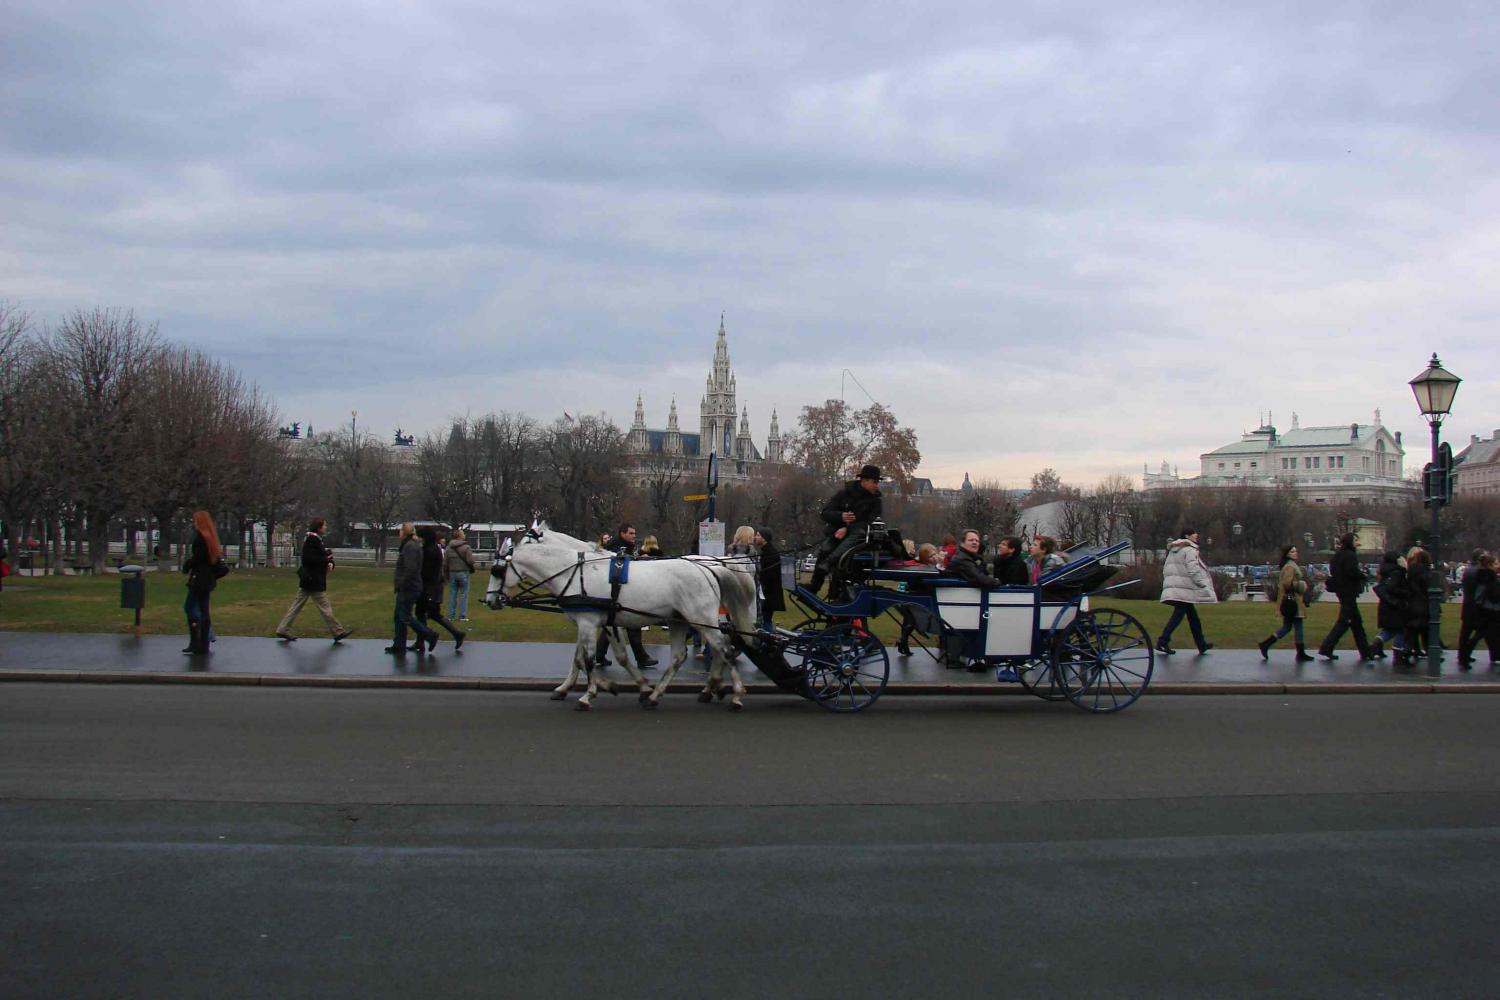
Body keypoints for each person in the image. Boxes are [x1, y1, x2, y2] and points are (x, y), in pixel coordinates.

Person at [807, 465, 883, 598]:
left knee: (849, 546)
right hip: (837, 533)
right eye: (874, 482)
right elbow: (825, 513)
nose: (877, 486)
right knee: (825, 549)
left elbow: (869, 523)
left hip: (858, 539)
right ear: (864, 481)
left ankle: (831, 570)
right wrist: (840, 516)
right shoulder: (844, 494)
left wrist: (847, 528)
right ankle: (814, 586)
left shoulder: (876, 502)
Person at [275, 518, 352, 643]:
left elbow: (321, 556)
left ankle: (282, 628)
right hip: (314, 581)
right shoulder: (312, 540)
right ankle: (338, 631)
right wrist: (326, 560)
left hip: (309, 581)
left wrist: (328, 560)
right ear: (319, 527)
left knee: (296, 606)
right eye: (324, 526)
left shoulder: (314, 540)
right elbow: (310, 559)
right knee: (325, 607)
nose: (326, 528)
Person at [593, 523, 657, 670]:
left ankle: (599, 656)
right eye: (631, 533)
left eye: (634, 533)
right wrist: (639, 560)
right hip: (617, 591)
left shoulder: (625, 545)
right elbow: (618, 564)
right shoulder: (616, 546)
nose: (634, 535)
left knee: (611, 625)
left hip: (620, 590)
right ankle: (641, 658)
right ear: (622, 533)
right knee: (633, 623)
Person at [1155, 529, 1216, 655]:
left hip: (1178, 588)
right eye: (1194, 533)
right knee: (1180, 616)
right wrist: (1202, 584)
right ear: (1187, 536)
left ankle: (1201, 644)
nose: (1196, 535)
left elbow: (1167, 569)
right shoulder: (1189, 550)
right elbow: (1193, 570)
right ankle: (1163, 640)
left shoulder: (1174, 550)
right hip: (1184, 589)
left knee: (1193, 618)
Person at [1316, 532, 1375, 661]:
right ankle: (1327, 647)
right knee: (1344, 622)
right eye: (1355, 540)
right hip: (1349, 591)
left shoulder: (1338, 555)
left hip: (1341, 591)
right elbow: (1351, 572)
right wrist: (1363, 575)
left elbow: (1336, 571)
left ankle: (1365, 652)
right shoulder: (1350, 555)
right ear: (1350, 541)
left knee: (1356, 622)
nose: (1357, 542)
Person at [1257, 544, 1315, 662]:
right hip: (1293, 602)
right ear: (1288, 554)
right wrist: (1302, 585)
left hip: (1291, 600)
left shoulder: (1289, 565)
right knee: (1298, 626)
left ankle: (1266, 644)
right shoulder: (1290, 567)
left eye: (1296, 551)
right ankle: (1300, 653)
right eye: (1293, 552)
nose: (1296, 553)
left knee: (1287, 627)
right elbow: (1287, 584)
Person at [386, 523, 437, 654]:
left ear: (404, 532)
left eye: (400, 531)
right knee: (398, 616)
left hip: (409, 587)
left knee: (405, 615)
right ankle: (399, 644)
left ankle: (429, 635)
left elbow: (411, 569)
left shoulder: (410, 547)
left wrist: (401, 583)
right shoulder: (411, 545)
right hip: (408, 586)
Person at [181, 510, 225, 655]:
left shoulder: (201, 538)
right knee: (203, 609)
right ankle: (203, 641)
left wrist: (188, 564)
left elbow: (199, 558)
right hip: (207, 580)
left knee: (190, 607)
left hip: (199, 579)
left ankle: (199, 638)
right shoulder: (211, 538)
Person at [417, 525, 466, 649]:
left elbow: (426, 571)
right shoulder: (435, 549)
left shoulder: (428, 551)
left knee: (423, 613)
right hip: (434, 586)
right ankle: (455, 634)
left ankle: (425, 638)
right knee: (432, 614)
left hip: (429, 587)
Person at [1373, 550, 1411, 663]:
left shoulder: (1384, 570)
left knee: (1390, 629)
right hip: (1396, 604)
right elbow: (1392, 588)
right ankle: (1397, 652)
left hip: (1386, 604)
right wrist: (1405, 592)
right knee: (1401, 628)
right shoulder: (1397, 572)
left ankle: (1377, 642)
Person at [1466, 553, 1500, 669]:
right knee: (1482, 634)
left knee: (1486, 634)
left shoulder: (1484, 575)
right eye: (1495, 563)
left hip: (1486, 609)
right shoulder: (1489, 576)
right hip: (1489, 610)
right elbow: (1490, 593)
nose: (1497, 565)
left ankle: (1494, 655)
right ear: (1489, 565)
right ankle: (1466, 654)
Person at [1402, 547, 1433, 664]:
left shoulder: (1411, 571)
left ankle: (1407, 652)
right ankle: (1427, 652)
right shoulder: (1425, 573)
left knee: (1413, 631)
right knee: (1424, 630)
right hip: (1423, 604)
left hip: (1413, 603)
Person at [1457, 548, 1486, 668]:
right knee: (1479, 632)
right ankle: (1465, 655)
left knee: (1465, 633)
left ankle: (1462, 655)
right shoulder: (1479, 571)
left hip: (1468, 605)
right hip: (1476, 607)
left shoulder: (1468, 570)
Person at [753, 528, 784, 628]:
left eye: (758, 535)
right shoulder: (766, 551)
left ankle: (767, 639)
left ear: (764, 538)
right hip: (768, 593)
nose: (755, 537)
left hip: (768, 594)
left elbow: (768, 575)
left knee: (766, 620)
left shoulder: (770, 553)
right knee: (766, 619)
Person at [445, 529, 478, 621]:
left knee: (452, 594)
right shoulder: (466, 547)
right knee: (464, 594)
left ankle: (451, 615)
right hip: (463, 572)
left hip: (452, 572)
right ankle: (462, 615)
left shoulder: (448, 548)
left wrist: (446, 573)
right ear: (460, 536)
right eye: (463, 534)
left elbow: (445, 563)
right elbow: (470, 561)